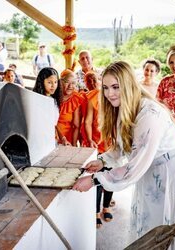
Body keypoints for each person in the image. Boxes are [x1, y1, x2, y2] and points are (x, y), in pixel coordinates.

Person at [73, 61, 175, 249]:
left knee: (171, 233)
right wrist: (103, 161)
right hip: (151, 172)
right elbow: (122, 146)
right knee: (150, 229)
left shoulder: (149, 114)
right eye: (106, 88)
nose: (110, 94)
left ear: (128, 85)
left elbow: (136, 164)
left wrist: (95, 180)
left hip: (173, 175)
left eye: (116, 87)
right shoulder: (123, 108)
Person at [82, 70, 113, 228]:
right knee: (98, 179)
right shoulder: (92, 97)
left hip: (112, 145)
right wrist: (90, 139)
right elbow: (88, 121)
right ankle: (95, 213)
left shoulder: (114, 96)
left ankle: (106, 207)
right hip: (97, 143)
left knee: (111, 176)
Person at [33, 67, 61, 142]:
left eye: (55, 82)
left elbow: (54, 123)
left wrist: (62, 137)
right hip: (39, 139)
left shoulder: (54, 100)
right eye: (49, 82)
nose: (53, 85)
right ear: (42, 82)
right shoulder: (36, 100)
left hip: (50, 139)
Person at [56, 69, 82, 146]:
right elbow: (51, 122)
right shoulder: (53, 96)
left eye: (73, 83)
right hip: (52, 136)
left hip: (68, 140)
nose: (70, 86)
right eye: (67, 82)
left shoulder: (75, 98)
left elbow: (76, 126)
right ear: (60, 82)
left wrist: (74, 144)